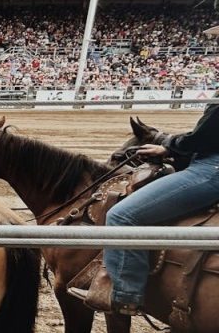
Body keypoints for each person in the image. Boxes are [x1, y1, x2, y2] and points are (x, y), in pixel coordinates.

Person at [69, 25, 219, 314]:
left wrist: (169, 144)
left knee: (121, 215)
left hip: (211, 168)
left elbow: (205, 136)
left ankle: (124, 294)